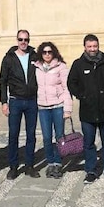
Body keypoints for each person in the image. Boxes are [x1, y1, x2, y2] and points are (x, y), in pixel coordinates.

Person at [67, 34, 104, 184]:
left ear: (98, 46)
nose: (92, 49)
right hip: (88, 111)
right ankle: (90, 170)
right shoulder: (78, 64)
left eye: (95, 46)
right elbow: (71, 83)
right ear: (85, 47)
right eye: (89, 46)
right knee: (89, 143)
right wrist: (82, 96)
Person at [0, 29, 40, 179]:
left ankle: (29, 165)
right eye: (21, 39)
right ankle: (13, 166)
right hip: (15, 101)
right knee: (13, 134)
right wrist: (4, 102)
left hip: (31, 101)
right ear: (17, 40)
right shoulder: (9, 58)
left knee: (31, 135)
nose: (23, 42)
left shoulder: (35, 56)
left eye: (26, 40)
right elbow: (2, 80)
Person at [33, 41, 72, 178]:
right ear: (41, 53)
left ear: (54, 52)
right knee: (46, 137)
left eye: (50, 52)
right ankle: (50, 162)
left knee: (59, 136)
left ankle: (58, 163)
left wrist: (68, 108)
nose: (47, 54)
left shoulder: (61, 66)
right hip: (43, 106)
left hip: (58, 105)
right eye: (44, 52)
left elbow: (67, 88)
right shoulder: (36, 67)